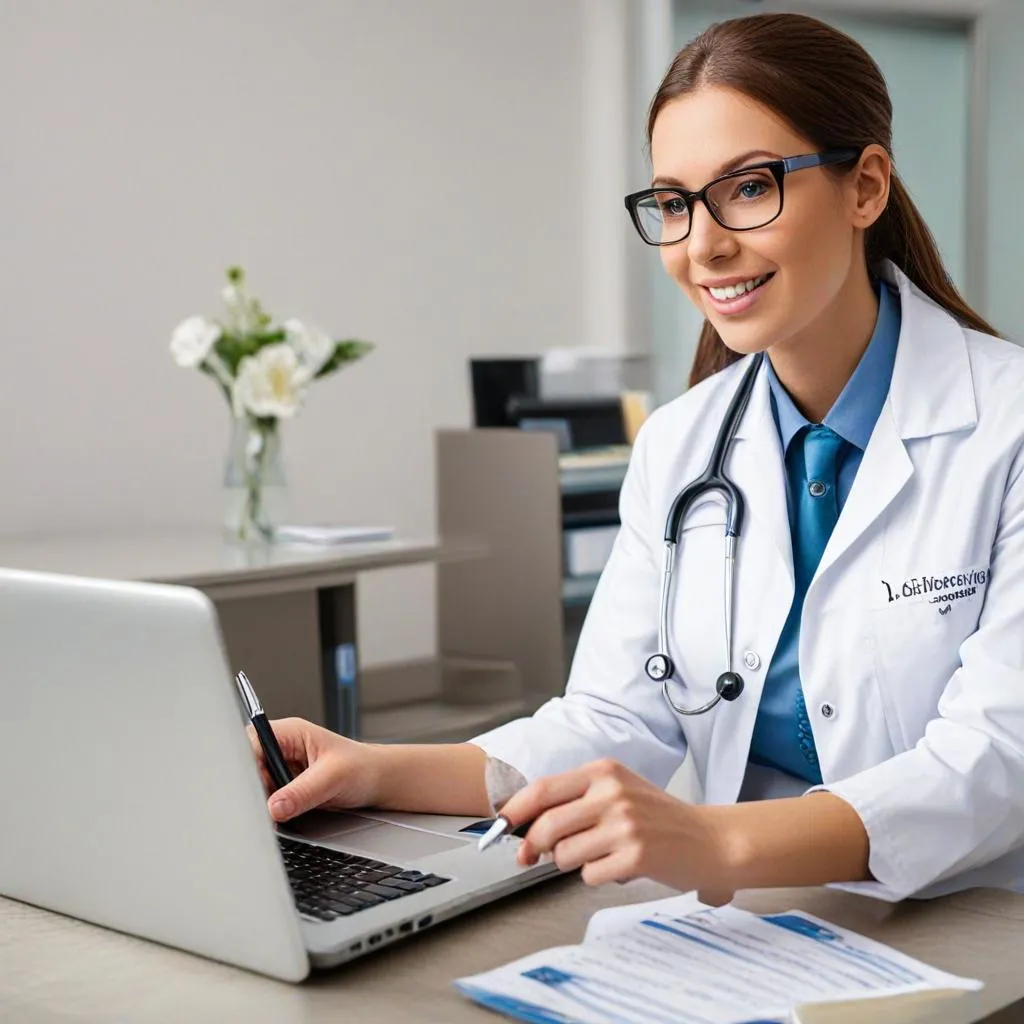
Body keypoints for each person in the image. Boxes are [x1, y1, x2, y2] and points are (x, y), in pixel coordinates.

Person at [252, 13, 1024, 905]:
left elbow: (996, 758)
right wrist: (373, 769)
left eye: (748, 188)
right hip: (775, 924)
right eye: (672, 203)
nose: (702, 246)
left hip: (981, 927)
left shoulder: (1004, 425)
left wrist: (714, 840)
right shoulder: (680, 444)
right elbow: (614, 720)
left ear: (866, 188)